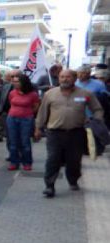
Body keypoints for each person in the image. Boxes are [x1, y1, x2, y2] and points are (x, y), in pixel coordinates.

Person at [35, 69, 104, 198]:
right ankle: (49, 186)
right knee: (53, 159)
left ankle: (73, 180)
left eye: (68, 77)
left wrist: (96, 120)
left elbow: (97, 109)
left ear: (74, 78)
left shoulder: (85, 93)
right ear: (59, 78)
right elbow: (42, 112)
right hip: (54, 133)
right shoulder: (50, 94)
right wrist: (38, 128)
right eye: (62, 77)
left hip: (76, 133)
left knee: (74, 160)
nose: (64, 79)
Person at [6, 74, 40, 171]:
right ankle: (14, 162)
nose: (14, 83)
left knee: (25, 142)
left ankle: (27, 162)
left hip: (26, 119)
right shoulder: (12, 93)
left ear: (24, 82)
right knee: (13, 141)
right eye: (14, 81)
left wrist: (27, 113)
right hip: (12, 118)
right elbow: (10, 103)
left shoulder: (33, 94)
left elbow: (36, 106)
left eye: (17, 82)